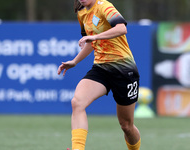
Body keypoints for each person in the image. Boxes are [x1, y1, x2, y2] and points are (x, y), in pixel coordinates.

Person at [57, 0, 141, 149]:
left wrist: (95, 37)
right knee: (77, 102)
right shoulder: (82, 12)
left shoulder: (104, 6)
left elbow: (122, 28)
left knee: (126, 126)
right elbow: (90, 41)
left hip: (124, 69)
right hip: (101, 68)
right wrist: (75, 61)